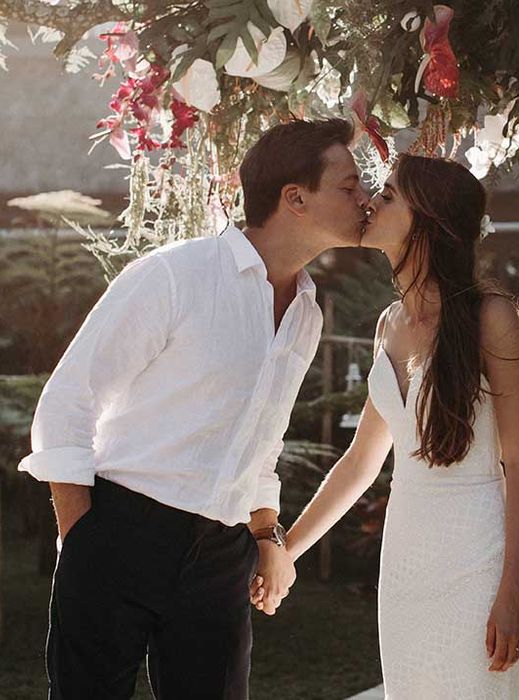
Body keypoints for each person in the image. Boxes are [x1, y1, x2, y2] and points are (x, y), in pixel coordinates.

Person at [18, 118, 369, 700]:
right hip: (120, 530)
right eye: (350, 186)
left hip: (220, 560)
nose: (365, 200)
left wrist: (265, 536)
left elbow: (262, 441)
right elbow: (67, 401)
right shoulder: (175, 274)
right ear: (296, 198)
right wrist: (83, 540)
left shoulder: (308, 310)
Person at [281, 154, 519, 698]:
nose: (372, 201)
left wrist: (512, 585)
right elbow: (360, 463)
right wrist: (287, 550)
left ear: (429, 219)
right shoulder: (388, 325)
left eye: (391, 194)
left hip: (475, 560)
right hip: (402, 566)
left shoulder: (492, 317)